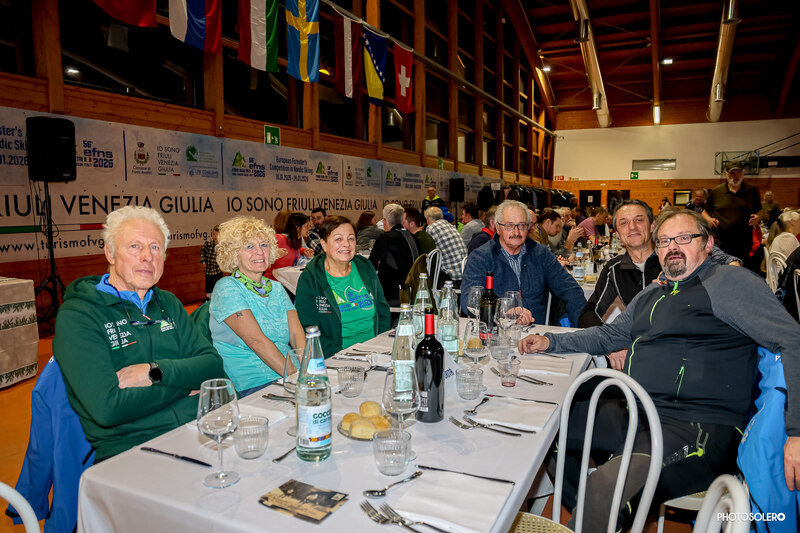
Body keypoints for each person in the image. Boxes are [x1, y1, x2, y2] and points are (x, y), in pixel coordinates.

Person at [519, 209, 800, 533]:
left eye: (684, 238)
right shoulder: (654, 292)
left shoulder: (729, 282)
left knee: (605, 489)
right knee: (549, 429)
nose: (673, 247)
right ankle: (594, 513)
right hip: (637, 411)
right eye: (665, 241)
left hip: (697, 426)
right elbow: (609, 336)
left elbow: (793, 340)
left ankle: (601, 505)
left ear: (708, 244)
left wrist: (796, 431)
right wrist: (550, 341)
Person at [53, 206, 224, 461]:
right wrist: (185, 385)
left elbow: (213, 366)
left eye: (155, 247)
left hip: (199, 428)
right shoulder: (79, 315)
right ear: (110, 252)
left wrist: (155, 372)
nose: (147, 256)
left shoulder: (168, 303)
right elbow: (108, 408)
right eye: (135, 246)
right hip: (132, 449)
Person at [210, 216, 306, 396]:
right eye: (249, 246)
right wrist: (296, 378)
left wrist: (308, 370)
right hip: (254, 383)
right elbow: (256, 341)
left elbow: (296, 334)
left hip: (289, 374)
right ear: (233, 253)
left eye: (263, 245)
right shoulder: (227, 288)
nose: (260, 252)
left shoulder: (276, 287)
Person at [460, 200, 586, 325]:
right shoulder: (480, 257)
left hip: (537, 331)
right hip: (496, 330)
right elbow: (470, 301)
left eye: (522, 225)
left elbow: (570, 290)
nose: (516, 232)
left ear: (528, 227)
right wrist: (504, 312)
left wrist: (586, 328)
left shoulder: (541, 254)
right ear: (498, 228)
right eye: (509, 225)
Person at [296, 216, 391, 357]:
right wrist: (339, 355)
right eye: (338, 239)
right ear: (324, 244)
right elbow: (307, 327)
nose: (346, 244)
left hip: (375, 351)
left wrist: (378, 344)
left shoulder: (364, 267)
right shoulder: (311, 278)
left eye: (351, 238)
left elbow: (382, 311)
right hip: (336, 356)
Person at [579, 200, 661, 333]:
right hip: (636, 340)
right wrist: (607, 341)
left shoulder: (670, 261)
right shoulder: (615, 268)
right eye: (624, 223)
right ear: (617, 234)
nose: (632, 226)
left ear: (652, 226)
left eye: (639, 220)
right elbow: (590, 311)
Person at [703, 159, 762, 267]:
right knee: (721, 271)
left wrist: (758, 218)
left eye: (738, 172)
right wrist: (709, 220)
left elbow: (759, 211)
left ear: (743, 173)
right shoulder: (716, 191)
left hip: (744, 243)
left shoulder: (752, 191)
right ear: (726, 174)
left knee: (742, 271)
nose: (735, 176)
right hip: (721, 243)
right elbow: (704, 212)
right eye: (732, 173)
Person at [369, 203, 421, 304]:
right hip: (414, 291)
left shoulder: (385, 238)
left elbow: (371, 265)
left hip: (392, 295)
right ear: (402, 220)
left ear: (384, 221)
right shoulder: (413, 237)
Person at [425, 206, 467, 284]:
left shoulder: (431, 228)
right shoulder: (450, 226)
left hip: (450, 275)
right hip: (464, 271)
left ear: (428, 219)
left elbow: (429, 253)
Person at [265, 213, 314, 280]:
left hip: (286, 281)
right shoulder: (279, 238)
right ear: (297, 227)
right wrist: (274, 252)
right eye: (306, 226)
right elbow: (262, 250)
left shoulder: (296, 242)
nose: (309, 228)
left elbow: (293, 250)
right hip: (272, 282)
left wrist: (303, 251)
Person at [200, 224, 222, 300]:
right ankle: (208, 298)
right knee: (208, 284)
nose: (215, 237)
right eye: (213, 234)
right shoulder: (208, 243)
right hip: (208, 270)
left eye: (217, 235)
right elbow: (202, 252)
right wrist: (203, 261)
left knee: (217, 284)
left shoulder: (222, 246)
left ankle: (217, 298)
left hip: (217, 270)